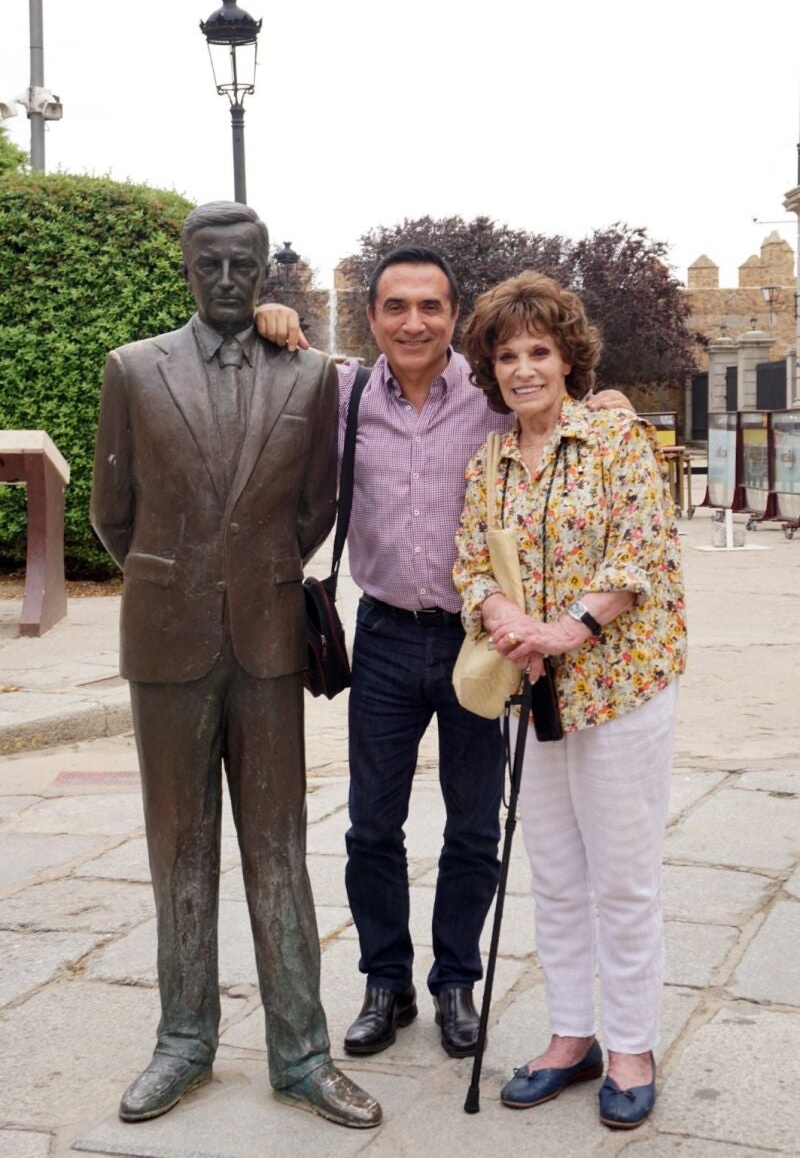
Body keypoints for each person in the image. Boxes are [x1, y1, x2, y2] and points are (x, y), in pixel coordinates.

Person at [256, 250, 631, 1061]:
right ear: (371, 317)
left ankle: (456, 981)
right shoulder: (343, 392)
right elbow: (268, 364)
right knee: (370, 826)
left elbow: (561, 409)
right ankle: (384, 983)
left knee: (473, 826)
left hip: (479, 639)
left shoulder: (493, 397)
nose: (413, 322)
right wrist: (269, 319)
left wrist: (607, 403)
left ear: (454, 316)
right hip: (385, 635)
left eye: (430, 306)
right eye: (395, 306)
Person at [90, 201, 381, 1130]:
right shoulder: (133, 369)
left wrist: (253, 574)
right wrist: (180, 577)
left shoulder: (310, 376)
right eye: (208, 264)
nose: (225, 280)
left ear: (264, 273)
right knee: (178, 848)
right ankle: (183, 1041)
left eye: (241, 266)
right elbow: (112, 510)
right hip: (165, 638)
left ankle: (301, 1053)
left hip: (267, 642)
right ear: (187, 269)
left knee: (280, 848)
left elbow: (315, 507)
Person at [452, 271, 687, 1130]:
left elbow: (641, 554)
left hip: (620, 688)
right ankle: (570, 1036)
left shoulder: (617, 439)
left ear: (567, 359)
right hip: (535, 696)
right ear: (490, 370)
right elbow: (471, 560)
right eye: (506, 356)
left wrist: (565, 629)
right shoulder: (489, 463)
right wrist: (502, 615)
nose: (523, 369)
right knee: (552, 874)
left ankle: (631, 1047)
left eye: (538, 351)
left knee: (622, 879)